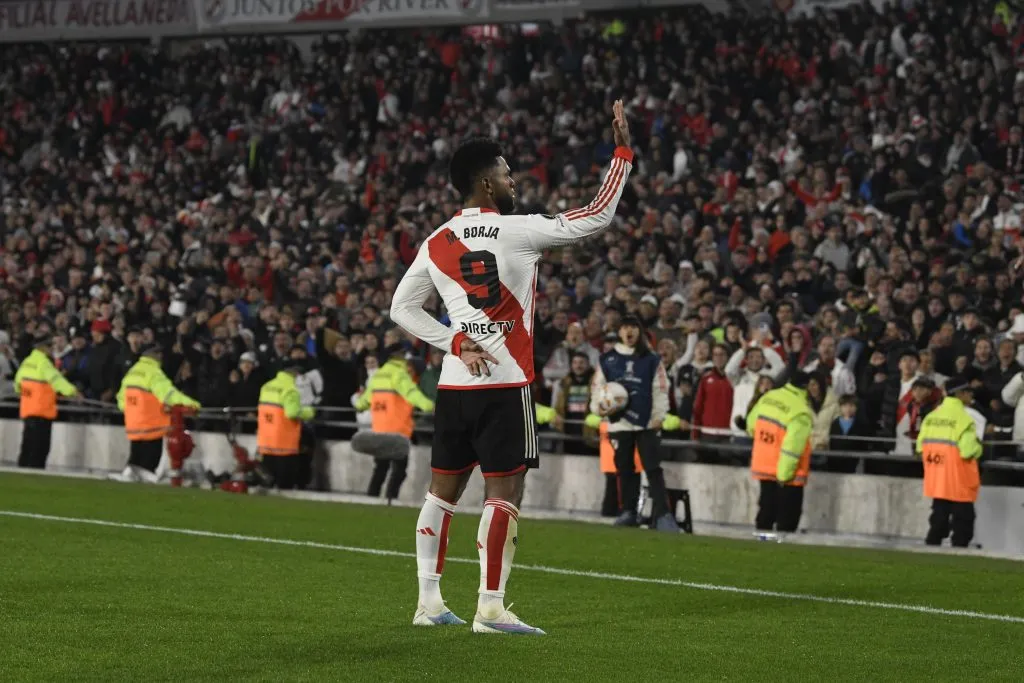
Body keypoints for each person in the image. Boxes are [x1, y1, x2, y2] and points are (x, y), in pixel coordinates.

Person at [389, 100, 632, 634]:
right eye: (504, 171)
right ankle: (491, 608)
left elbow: (401, 309)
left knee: (440, 494)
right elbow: (597, 215)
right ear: (485, 182)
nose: (512, 178)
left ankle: (428, 604)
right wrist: (623, 152)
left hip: (455, 387)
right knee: (504, 496)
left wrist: (455, 341)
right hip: (506, 385)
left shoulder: (436, 242)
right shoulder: (519, 230)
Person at [590, 315, 674, 530]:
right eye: (625, 327)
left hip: (646, 423)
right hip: (619, 423)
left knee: (653, 469)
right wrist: (597, 408)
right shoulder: (607, 359)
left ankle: (664, 515)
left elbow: (661, 389)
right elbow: (598, 389)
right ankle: (628, 512)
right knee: (624, 469)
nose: (629, 332)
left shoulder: (652, 360)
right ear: (619, 332)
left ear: (640, 332)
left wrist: (659, 416)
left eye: (633, 327)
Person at [355, 333, 436, 499]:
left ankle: (371, 499)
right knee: (399, 471)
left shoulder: (378, 376)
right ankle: (390, 501)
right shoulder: (400, 375)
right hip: (397, 432)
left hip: (379, 431)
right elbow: (413, 394)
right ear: (399, 356)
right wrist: (431, 406)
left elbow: (362, 403)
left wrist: (358, 404)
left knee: (380, 469)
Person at [115, 344, 201, 483]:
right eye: (158, 353)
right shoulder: (153, 372)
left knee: (135, 460)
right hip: (152, 425)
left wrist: (133, 412)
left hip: (134, 426)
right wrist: (192, 404)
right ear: (153, 355)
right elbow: (169, 395)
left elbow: (121, 399)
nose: (161, 356)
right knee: (148, 465)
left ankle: (128, 483)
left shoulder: (133, 372)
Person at [915, 376, 983, 548]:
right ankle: (959, 559)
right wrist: (980, 447)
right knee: (963, 525)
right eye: (967, 392)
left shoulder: (931, 416)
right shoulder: (965, 419)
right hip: (959, 479)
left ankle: (929, 555)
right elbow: (968, 451)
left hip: (937, 477)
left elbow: (920, 447)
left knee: (938, 521)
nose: (970, 396)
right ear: (959, 394)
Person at [745, 370, 814, 533]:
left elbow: (751, 425)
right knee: (787, 521)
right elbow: (792, 448)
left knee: (765, 513)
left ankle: (760, 549)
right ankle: (783, 553)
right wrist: (784, 475)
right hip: (788, 475)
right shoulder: (800, 411)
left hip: (764, 465)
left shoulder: (770, 397)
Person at [14, 335, 80, 468]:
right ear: (43, 348)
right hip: (41, 412)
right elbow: (57, 381)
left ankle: (21, 473)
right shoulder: (44, 363)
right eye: (50, 346)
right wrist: (74, 392)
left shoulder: (27, 362)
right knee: (40, 449)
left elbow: (17, 386)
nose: (52, 349)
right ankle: (35, 475)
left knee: (27, 447)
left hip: (28, 411)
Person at [256, 360, 318, 490]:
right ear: (294, 373)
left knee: (267, 483)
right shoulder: (291, 390)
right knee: (285, 486)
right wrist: (310, 412)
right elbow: (292, 413)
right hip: (284, 444)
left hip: (266, 441)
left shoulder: (266, 386)